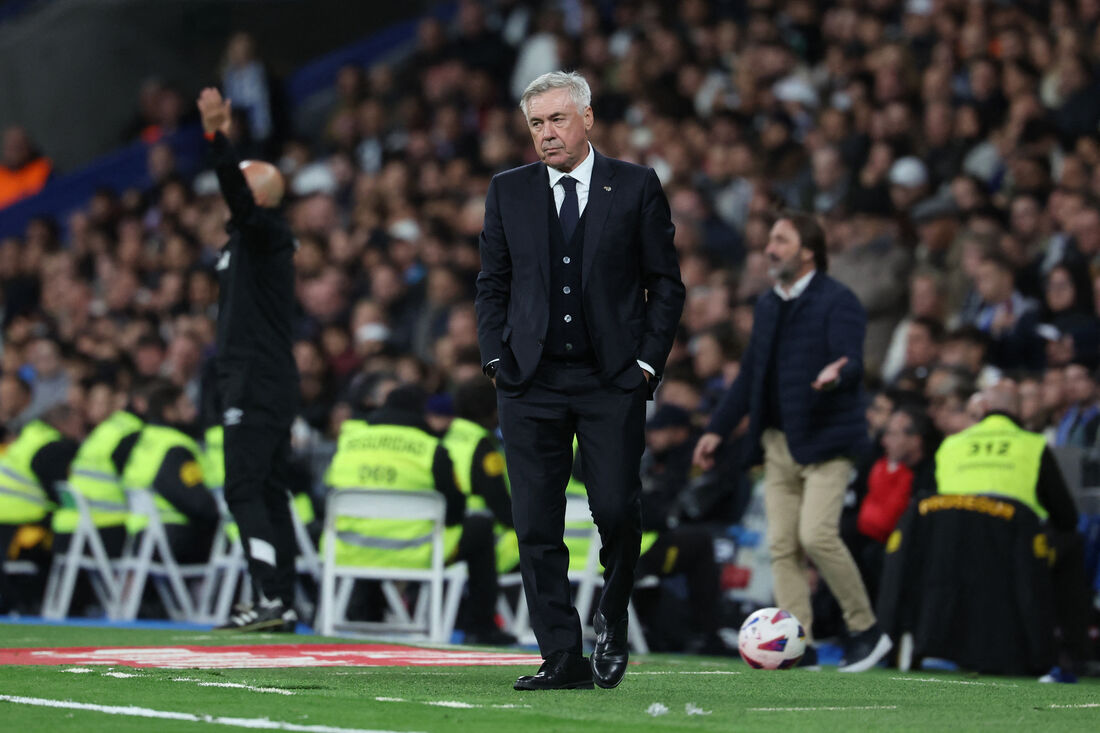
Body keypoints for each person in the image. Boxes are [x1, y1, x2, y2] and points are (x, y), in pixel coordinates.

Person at [475, 71, 684, 690]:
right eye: (536, 124)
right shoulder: (507, 190)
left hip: (610, 379)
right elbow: (492, 284)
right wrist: (495, 360)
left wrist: (646, 365)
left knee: (617, 509)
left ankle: (612, 618)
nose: (546, 135)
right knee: (535, 524)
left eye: (557, 120)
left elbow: (665, 284)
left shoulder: (637, 185)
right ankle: (561, 654)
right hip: (529, 381)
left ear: (587, 119)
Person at [693, 210, 892, 672]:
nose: (769, 249)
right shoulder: (767, 305)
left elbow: (854, 362)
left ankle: (867, 631)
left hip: (826, 440)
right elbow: (749, 379)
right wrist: (717, 429)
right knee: (782, 544)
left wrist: (837, 373)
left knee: (816, 536)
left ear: (808, 251)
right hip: (779, 444)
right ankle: (798, 644)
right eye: (769, 242)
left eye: (780, 241)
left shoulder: (838, 300)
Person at [197, 87, 300, 631]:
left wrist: (217, 137)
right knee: (267, 488)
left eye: (239, 185)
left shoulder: (265, 233)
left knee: (243, 487)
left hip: (257, 380)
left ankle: (269, 595)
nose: (227, 196)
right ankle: (278, 598)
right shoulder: (248, 239)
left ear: (257, 197)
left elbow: (237, 197)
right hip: (261, 377)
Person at [323, 385, 512, 643]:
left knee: (371, 527)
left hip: (349, 549)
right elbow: (454, 511)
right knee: (480, 527)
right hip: (415, 552)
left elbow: (330, 492)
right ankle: (480, 626)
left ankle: (368, 612)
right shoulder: (431, 448)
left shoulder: (349, 443)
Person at [932, 385, 1090, 682]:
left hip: (954, 552)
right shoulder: (1031, 444)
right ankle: (1071, 652)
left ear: (983, 408)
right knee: (1072, 543)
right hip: (1014, 553)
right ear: (1017, 410)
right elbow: (1065, 515)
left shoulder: (951, 444)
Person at [120, 383, 219, 566]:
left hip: (141, 537)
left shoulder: (145, 439)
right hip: (172, 538)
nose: (194, 413)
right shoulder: (174, 446)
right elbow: (199, 503)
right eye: (187, 406)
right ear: (169, 411)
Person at [0, 404, 81, 613]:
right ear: (65, 423)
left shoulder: (30, 435)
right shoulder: (52, 446)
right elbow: (60, 490)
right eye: (77, 423)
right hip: (22, 517)